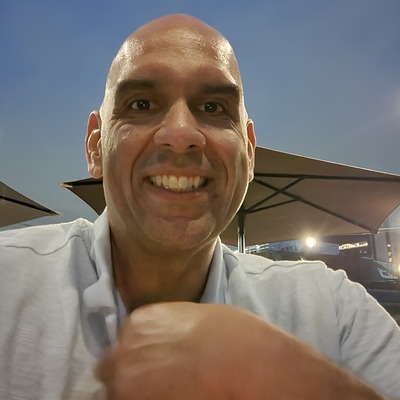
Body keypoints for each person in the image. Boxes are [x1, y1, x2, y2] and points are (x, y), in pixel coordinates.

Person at [0, 14, 399, 400]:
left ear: (249, 152)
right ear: (95, 147)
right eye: (142, 104)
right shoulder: (8, 283)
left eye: (213, 108)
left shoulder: (333, 311)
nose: (180, 134)